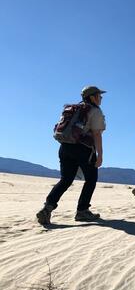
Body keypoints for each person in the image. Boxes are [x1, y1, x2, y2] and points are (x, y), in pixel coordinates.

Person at [36, 86, 107, 225]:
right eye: (99, 95)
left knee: (65, 180)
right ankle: (82, 211)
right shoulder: (94, 111)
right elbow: (97, 133)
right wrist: (100, 155)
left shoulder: (73, 109)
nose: (101, 98)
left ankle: (47, 208)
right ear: (92, 97)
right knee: (91, 179)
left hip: (65, 147)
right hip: (84, 149)